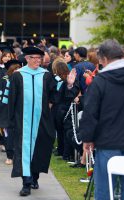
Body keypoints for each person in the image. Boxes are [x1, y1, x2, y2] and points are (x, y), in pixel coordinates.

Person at [8, 46, 76, 196]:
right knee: (24, 150)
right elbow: (11, 99)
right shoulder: (18, 76)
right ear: (27, 59)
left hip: (42, 120)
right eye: (34, 58)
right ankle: (26, 182)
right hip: (23, 121)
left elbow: (56, 95)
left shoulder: (46, 75)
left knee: (40, 148)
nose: (38, 61)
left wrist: (69, 84)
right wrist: (9, 119)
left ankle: (35, 177)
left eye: (40, 58)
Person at [80, 39, 124, 200]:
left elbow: (90, 113)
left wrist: (87, 139)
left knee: (105, 189)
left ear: (104, 59)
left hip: (108, 143)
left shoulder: (100, 81)